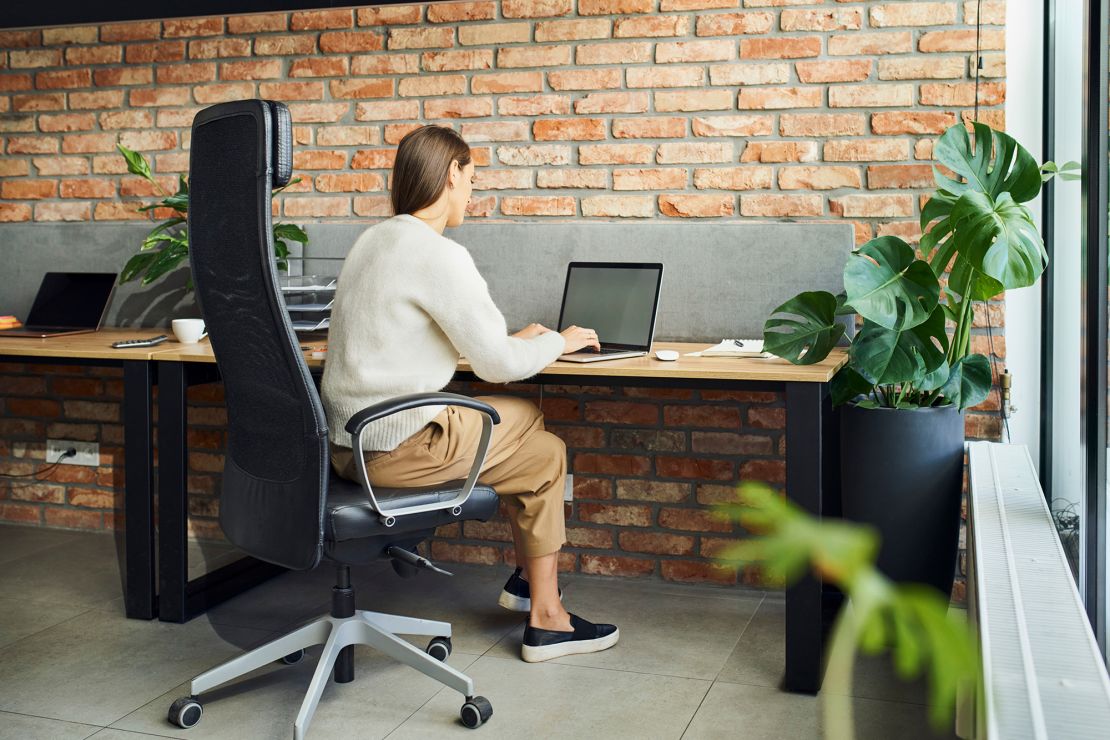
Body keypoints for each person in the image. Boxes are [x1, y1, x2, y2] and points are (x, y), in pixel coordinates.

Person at [321, 125, 619, 663]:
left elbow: (415, 337)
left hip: (345, 449)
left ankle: (541, 604)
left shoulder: (372, 241)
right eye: (473, 179)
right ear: (452, 173)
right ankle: (541, 607)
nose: (473, 193)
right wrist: (558, 340)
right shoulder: (438, 254)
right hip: (398, 448)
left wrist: (518, 341)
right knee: (527, 412)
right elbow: (500, 368)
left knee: (544, 457)